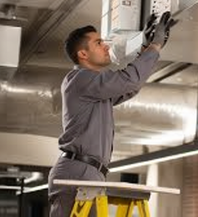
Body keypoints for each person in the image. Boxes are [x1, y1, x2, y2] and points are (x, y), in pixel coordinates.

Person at [48, 11, 177, 216]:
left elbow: (129, 88)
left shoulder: (94, 88)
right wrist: (154, 47)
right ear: (83, 54)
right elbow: (129, 81)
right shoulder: (80, 79)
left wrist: (146, 48)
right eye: (99, 43)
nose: (106, 46)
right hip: (78, 170)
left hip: (88, 170)